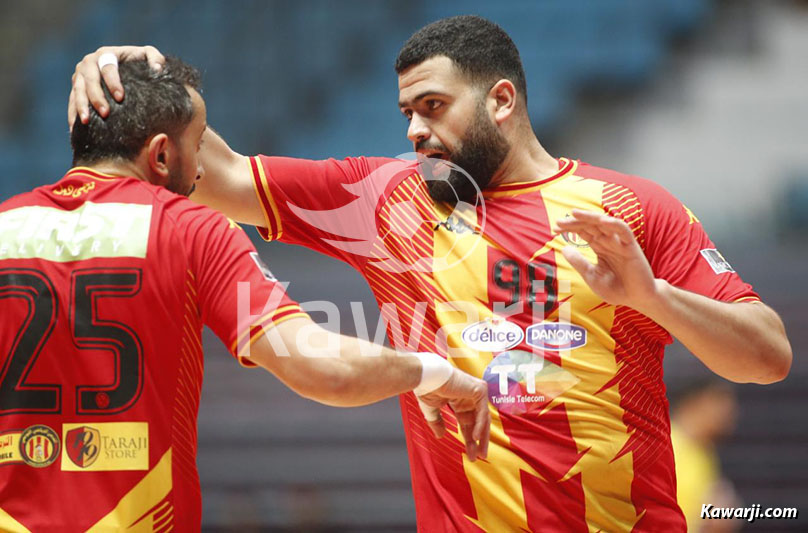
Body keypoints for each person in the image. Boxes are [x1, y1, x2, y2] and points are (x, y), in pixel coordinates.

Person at [71, 15, 792, 532]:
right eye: (407, 112)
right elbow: (218, 176)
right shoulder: (384, 199)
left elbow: (766, 356)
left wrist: (652, 296)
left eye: (434, 107)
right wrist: (140, 79)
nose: (415, 129)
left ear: (502, 101)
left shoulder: (630, 208)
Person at [0, 56, 490, 532]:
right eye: (197, 146)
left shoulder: (6, 225)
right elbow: (324, 369)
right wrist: (431, 370)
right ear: (161, 154)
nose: (200, 172)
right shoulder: (190, 229)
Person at [671, 379, 742, 532]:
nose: (728, 414)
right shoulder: (663, 445)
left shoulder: (705, 453)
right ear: (694, 403)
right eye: (719, 402)